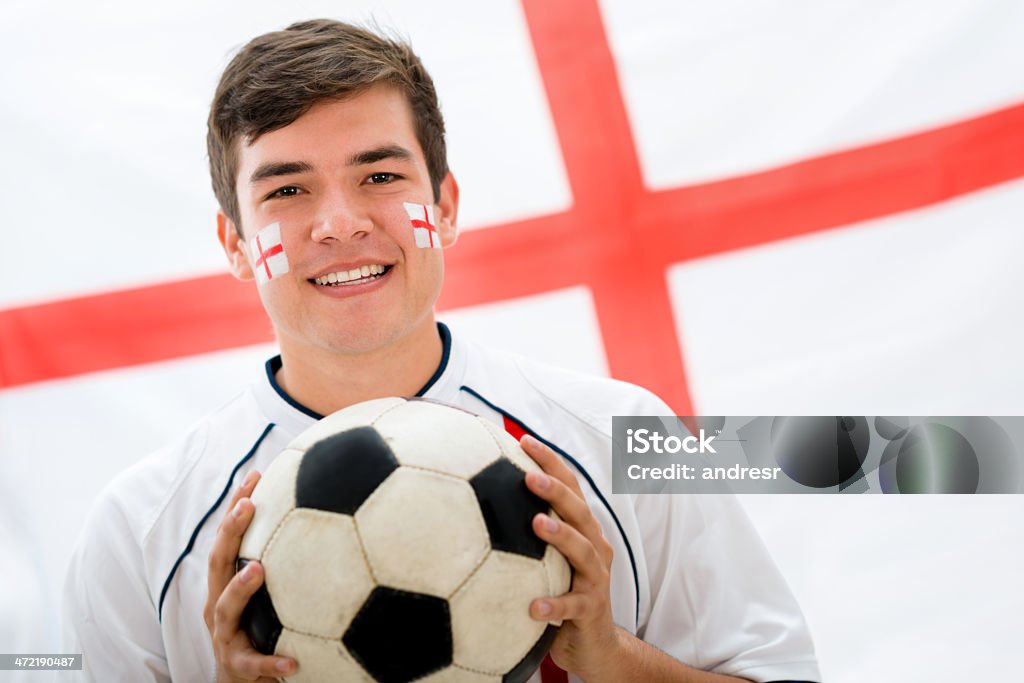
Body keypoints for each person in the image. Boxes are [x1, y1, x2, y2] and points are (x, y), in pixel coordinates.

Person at [62, 19, 820, 683]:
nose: (339, 223)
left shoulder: (626, 435)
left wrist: (614, 660)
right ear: (235, 244)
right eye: (287, 191)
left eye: (381, 175)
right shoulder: (139, 531)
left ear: (445, 207)